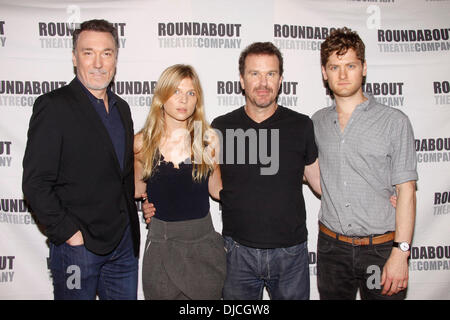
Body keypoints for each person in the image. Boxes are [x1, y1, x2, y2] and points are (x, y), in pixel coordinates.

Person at [22, 19, 140, 300]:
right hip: (79, 249)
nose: (98, 63)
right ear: (75, 58)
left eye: (107, 53)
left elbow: (121, 175)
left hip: (123, 247)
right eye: (88, 53)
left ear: (116, 59)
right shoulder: (54, 106)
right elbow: (36, 183)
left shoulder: (122, 108)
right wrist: (70, 234)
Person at [310, 27, 417, 300]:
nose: (343, 75)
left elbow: (406, 192)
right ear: (324, 72)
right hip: (332, 249)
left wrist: (401, 252)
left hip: (380, 250)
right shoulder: (316, 122)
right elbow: (309, 170)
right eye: (334, 66)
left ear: (364, 68)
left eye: (350, 65)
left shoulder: (394, 122)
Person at [211, 42, 320, 300]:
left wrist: (376, 196)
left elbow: (320, 182)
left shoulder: (301, 125)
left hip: (290, 253)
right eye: (254, 74)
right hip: (237, 252)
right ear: (241, 80)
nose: (263, 82)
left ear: (280, 79)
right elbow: (207, 177)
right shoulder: (221, 126)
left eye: (270, 74)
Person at [134, 64, 226, 300]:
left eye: (191, 93)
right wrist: (146, 202)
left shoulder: (209, 139)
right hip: (161, 246)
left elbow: (217, 189)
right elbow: (136, 188)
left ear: (198, 100)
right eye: (176, 91)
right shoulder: (141, 143)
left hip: (203, 245)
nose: (183, 100)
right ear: (162, 96)